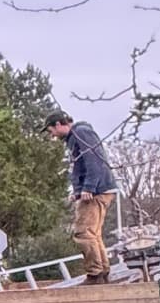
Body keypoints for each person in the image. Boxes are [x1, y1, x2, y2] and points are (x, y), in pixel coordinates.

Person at [46, 112, 119, 282]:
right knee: (93, 233)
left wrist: (89, 187)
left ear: (58, 124)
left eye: (51, 131)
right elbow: (79, 166)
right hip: (98, 190)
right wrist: (78, 191)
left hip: (96, 191)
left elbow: (94, 160)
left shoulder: (81, 132)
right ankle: (102, 272)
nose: (52, 136)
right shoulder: (75, 136)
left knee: (83, 233)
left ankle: (95, 274)